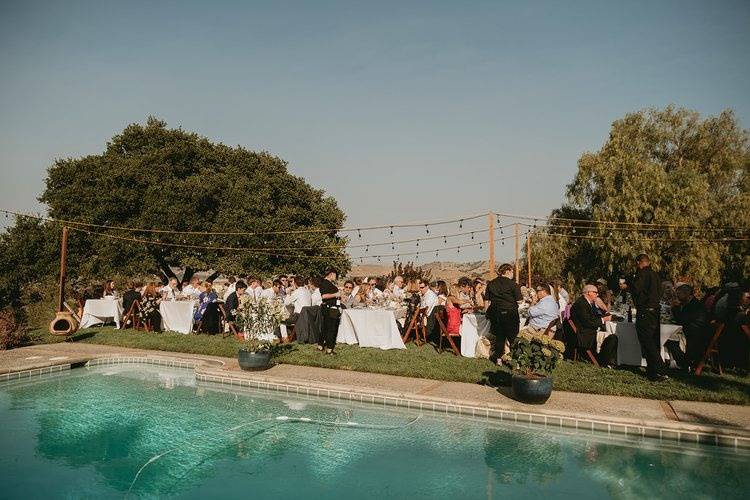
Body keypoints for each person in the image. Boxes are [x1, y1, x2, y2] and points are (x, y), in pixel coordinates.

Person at [629, 253, 667, 381]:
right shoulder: (656, 275)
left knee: (646, 340)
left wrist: (629, 284)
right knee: (653, 339)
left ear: (638, 262)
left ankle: (659, 368)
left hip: (645, 310)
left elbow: (636, 289)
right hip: (655, 310)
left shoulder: (642, 273)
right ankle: (652, 371)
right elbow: (660, 292)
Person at [485, 263, 522, 364]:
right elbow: (519, 301)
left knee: (499, 337)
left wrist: (486, 313)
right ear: (508, 271)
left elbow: (487, 301)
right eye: (512, 271)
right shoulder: (513, 284)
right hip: (510, 313)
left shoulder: (491, 284)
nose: (513, 274)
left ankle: (498, 359)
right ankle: (516, 360)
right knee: (513, 337)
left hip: (496, 313)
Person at [668, 284, 710, 369]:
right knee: (669, 337)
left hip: (696, 332)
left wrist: (674, 308)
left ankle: (684, 363)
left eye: (679, 294)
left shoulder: (695, 305)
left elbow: (681, 320)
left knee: (670, 339)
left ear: (686, 294)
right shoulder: (689, 303)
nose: (677, 297)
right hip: (692, 329)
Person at [570, 284, 611, 358]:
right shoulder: (581, 304)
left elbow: (592, 318)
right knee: (612, 337)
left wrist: (603, 317)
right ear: (589, 292)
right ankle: (603, 360)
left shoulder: (586, 303)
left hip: (587, 331)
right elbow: (588, 322)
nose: (597, 294)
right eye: (595, 292)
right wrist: (603, 320)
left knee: (611, 335)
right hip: (585, 335)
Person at [317, 269, 341, 355]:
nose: (336, 277)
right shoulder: (325, 283)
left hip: (329, 307)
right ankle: (329, 349)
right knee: (331, 328)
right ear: (331, 274)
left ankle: (320, 346)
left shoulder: (326, 283)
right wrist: (336, 294)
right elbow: (324, 296)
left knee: (325, 327)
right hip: (331, 308)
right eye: (335, 275)